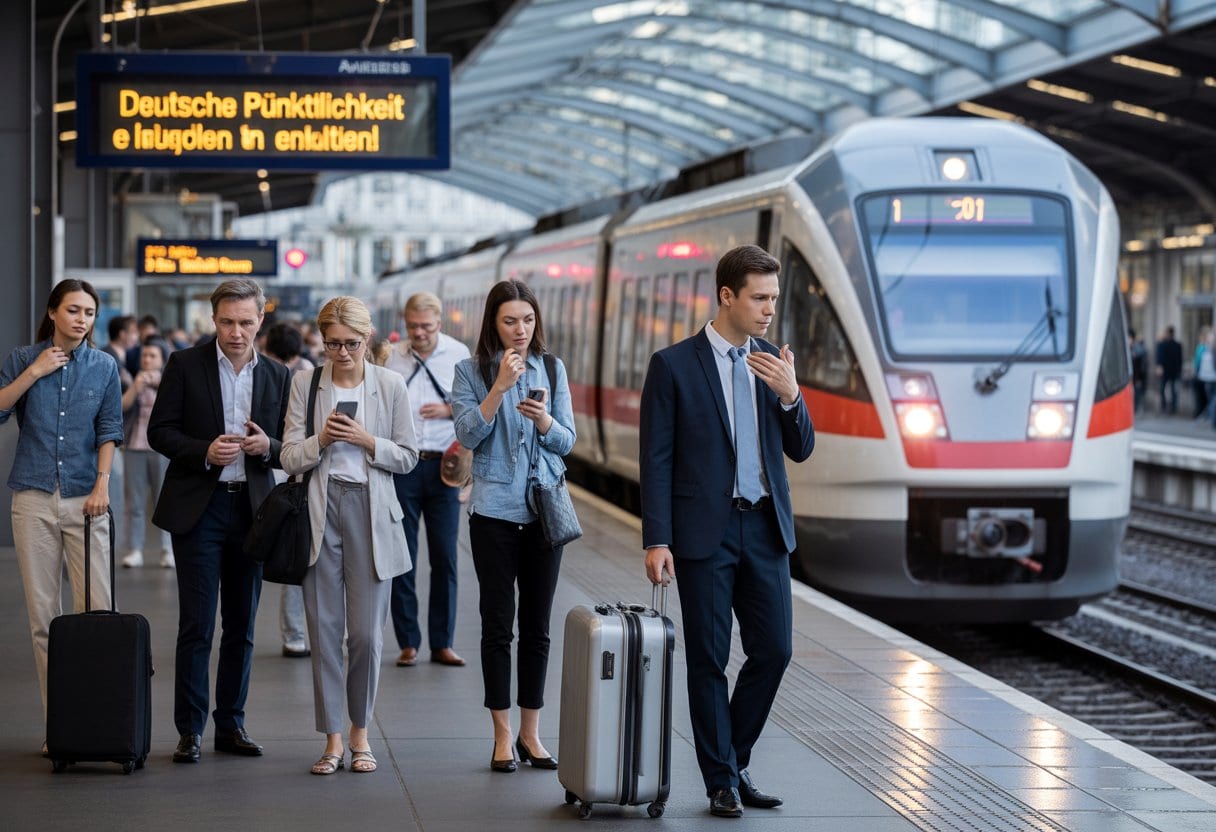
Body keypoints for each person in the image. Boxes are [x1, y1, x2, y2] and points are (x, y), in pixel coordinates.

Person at [639, 245, 814, 818]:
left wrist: (791, 395)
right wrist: (657, 539)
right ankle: (721, 782)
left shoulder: (772, 362)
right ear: (726, 296)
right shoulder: (673, 365)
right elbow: (656, 460)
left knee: (775, 650)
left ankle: (732, 762)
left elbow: (802, 449)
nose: (769, 309)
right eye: (759, 298)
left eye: (773, 298)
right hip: (703, 535)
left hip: (765, 529)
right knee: (709, 659)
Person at [147, 278, 291, 765]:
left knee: (242, 626)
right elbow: (159, 431)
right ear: (213, 319)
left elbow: (291, 446)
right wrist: (203, 451)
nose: (236, 332)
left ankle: (231, 724)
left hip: (253, 512)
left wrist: (268, 447)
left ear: (261, 320)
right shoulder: (184, 365)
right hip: (199, 510)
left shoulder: (278, 375)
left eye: (246, 322)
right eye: (227, 322)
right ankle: (189, 730)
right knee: (197, 624)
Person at [280, 297, 418, 776]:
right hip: (320, 510)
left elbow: (409, 456)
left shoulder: (390, 385)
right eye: (332, 344)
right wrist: (321, 440)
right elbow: (288, 456)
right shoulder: (305, 383)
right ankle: (333, 739)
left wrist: (366, 441)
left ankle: (361, 731)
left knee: (364, 635)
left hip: (372, 511)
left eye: (351, 344)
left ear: (368, 338)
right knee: (323, 632)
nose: (341, 353)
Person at [451, 280, 576, 774]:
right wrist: (499, 388)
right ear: (493, 324)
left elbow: (567, 441)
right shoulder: (470, 371)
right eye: (509, 321)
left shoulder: (553, 368)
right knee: (498, 626)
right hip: (494, 515)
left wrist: (544, 421)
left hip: (544, 512)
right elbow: (466, 435)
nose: (520, 329)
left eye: (527, 320)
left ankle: (531, 733)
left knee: (538, 628)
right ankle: (502, 735)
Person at [0, 279, 124, 735]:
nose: (81, 319)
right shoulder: (22, 359)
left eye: (89, 313)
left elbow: (110, 428)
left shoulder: (104, 366)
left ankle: (101, 723)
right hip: (32, 499)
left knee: (98, 612)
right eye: (73, 310)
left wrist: (102, 485)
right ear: (53, 312)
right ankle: (62, 725)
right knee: (43, 619)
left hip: (87, 500)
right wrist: (34, 372)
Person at [385, 292, 472, 669]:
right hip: (402, 467)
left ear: (440, 323)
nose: (419, 333)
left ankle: (442, 643)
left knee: (445, 558)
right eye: (412, 326)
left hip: (444, 469)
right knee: (401, 558)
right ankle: (408, 642)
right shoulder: (391, 356)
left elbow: (477, 406)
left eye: (426, 327)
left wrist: (449, 409)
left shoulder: (458, 353)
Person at [264, 323, 315, 658]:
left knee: (296, 555)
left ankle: (294, 635)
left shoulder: (268, 373)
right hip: (304, 469)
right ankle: (319, 633)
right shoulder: (311, 375)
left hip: (282, 472)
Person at [120, 337, 175, 569]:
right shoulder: (132, 378)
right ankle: (135, 549)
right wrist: (136, 386)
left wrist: (160, 384)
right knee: (134, 501)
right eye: (144, 355)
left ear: (162, 359)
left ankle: (168, 549)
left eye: (152, 356)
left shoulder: (172, 381)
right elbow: (121, 406)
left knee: (166, 500)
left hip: (162, 449)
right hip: (135, 446)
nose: (147, 360)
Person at [1155, 325, 1183, 415]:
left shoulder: (1163, 344)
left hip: (1167, 371)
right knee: (1172, 389)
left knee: (1165, 389)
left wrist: (1159, 367)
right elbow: (1180, 360)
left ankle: (1165, 406)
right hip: (1173, 371)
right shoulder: (1177, 345)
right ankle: (1172, 407)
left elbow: (1160, 357)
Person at [1129, 329, 1147, 413]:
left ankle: (1136, 407)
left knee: (1137, 391)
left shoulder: (1138, 349)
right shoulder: (1127, 348)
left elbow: (1142, 364)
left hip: (1137, 375)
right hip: (1130, 376)